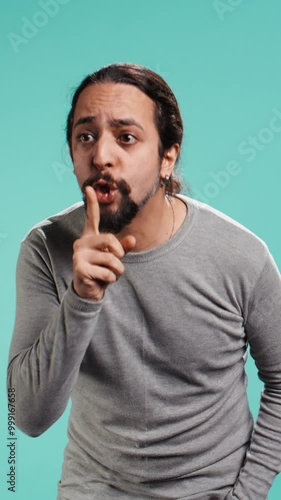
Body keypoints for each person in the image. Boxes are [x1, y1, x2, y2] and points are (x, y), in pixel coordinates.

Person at [7, 63, 281, 500]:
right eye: (86, 137)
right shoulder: (45, 249)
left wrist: (247, 494)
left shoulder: (240, 255)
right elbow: (28, 416)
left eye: (126, 137)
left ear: (168, 156)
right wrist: (82, 297)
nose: (102, 156)